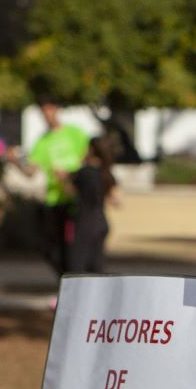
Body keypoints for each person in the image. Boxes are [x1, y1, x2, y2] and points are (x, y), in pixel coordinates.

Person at [12, 98, 89, 275]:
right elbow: (31, 171)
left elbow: (88, 159)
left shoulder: (75, 134)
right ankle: (63, 283)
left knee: (73, 248)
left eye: (49, 110)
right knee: (52, 249)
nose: (47, 116)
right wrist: (15, 161)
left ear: (57, 110)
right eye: (43, 112)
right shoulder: (42, 141)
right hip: (55, 199)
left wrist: (70, 176)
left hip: (75, 200)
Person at [65, 134, 120, 274]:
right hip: (101, 222)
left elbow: (70, 192)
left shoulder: (83, 173)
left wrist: (63, 179)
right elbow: (117, 200)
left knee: (78, 265)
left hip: (84, 223)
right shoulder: (107, 173)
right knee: (96, 267)